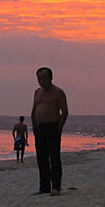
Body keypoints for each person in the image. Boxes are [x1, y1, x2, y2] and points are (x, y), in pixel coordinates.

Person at [31, 67, 68, 196]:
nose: (41, 81)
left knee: (54, 157)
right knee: (41, 158)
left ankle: (56, 187)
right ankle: (44, 186)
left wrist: (59, 127)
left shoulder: (58, 92)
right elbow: (34, 110)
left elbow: (65, 111)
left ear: (50, 78)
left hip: (53, 127)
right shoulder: (37, 92)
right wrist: (34, 126)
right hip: (40, 127)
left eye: (44, 78)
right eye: (39, 78)